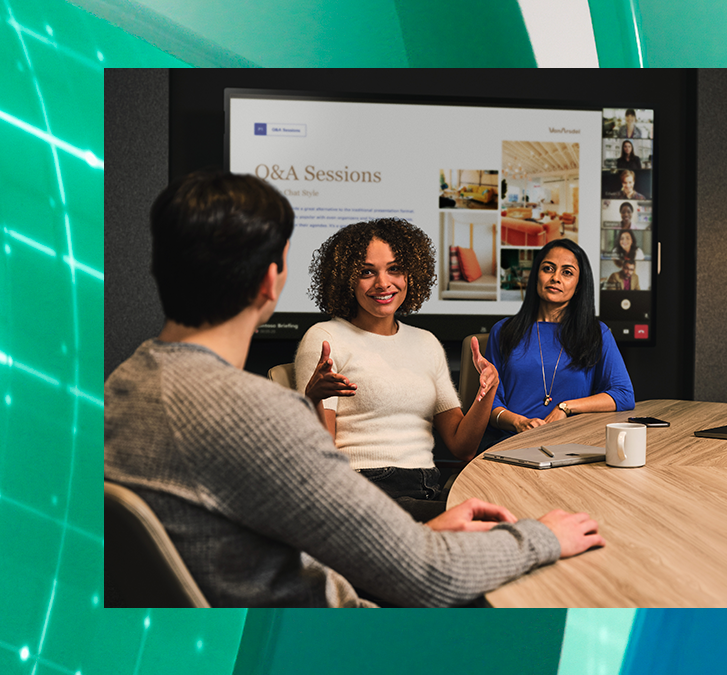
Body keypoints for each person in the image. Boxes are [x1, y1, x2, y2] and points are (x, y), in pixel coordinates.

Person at [105, 170, 604, 608]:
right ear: (270, 281)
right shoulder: (260, 415)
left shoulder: (117, 390)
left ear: (157, 269)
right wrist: (542, 536)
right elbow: (428, 576)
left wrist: (414, 536)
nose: (382, 282)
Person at [295, 218, 496, 522]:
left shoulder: (426, 342)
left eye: (395, 269)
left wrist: (488, 391)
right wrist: (313, 400)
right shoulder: (325, 338)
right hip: (362, 491)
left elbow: (462, 447)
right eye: (366, 272)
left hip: (426, 489)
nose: (383, 283)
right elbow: (321, 460)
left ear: (411, 274)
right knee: (490, 522)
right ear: (346, 279)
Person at [485, 239, 635, 440]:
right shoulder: (503, 331)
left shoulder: (596, 333)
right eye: (548, 269)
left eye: (567, 272)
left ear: (579, 285)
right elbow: (490, 403)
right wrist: (518, 422)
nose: (555, 278)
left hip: (570, 444)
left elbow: (624, 395)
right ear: (536, 275)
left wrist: (566, 407)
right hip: (510, 442)